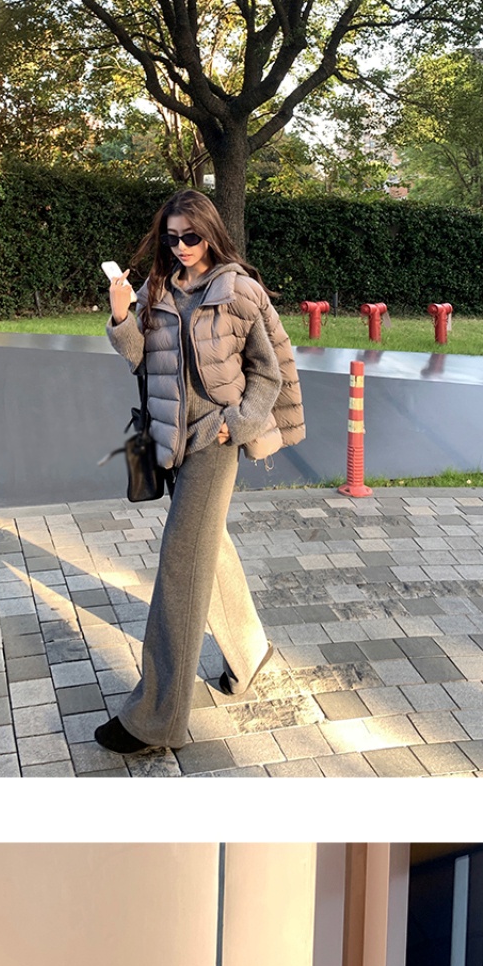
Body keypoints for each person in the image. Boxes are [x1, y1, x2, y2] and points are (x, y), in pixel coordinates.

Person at [94, 187, 305, 762]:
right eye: (172, 237)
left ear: (210, 233)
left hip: (214, 440)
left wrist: (235, 425)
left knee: (180, 567)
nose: (181, 246)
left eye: (191, 236)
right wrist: (121, 313)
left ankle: (157, 719)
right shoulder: (157, 288)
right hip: (170, 439)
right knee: (206, 548)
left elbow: (268, 373)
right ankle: (251, 653)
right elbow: (139, 357)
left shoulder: (238, 291)